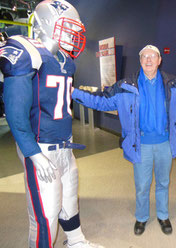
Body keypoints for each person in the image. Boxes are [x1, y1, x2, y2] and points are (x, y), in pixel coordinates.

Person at [71, 45, 176, 235]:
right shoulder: (126, 86)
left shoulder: (173, 83)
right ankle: (141, 218)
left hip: (165, 143)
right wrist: (72, 92)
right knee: (142, 185)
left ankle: (163, 216)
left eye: (152, 56)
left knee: (163, 182)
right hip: (141, 145)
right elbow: (100, 100)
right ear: (140, 60)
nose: (148, 60)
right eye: (144, 56)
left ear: (159, 60)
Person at [0, 1, 104, 247]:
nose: (73, 34)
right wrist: (33, 153)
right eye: (67, 27)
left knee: (69, 198)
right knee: (46, 212)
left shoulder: (64, 60)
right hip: (41, 145)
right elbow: (15, 113)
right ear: (45, 24)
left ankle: (76, 240)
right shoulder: (27, 52)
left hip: (64, 144)